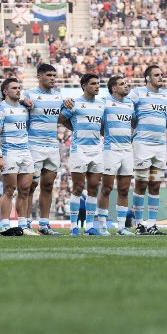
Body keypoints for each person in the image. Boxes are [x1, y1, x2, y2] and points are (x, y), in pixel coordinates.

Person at [127, 65, 167, 235]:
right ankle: (139, 224)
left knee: (155, 185)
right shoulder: (137, 93)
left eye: (161, 74)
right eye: (157, 75)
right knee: (141, 183)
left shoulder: (165, 96)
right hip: (142, 144)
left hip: (160, 145)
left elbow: (166, 117)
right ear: (148, 78)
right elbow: (126, 109)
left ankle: (152, 224)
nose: (161, 77)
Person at [60, 73, 105, 236]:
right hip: (79, 150)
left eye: (98, 83)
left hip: (96, 150)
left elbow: (102, 125)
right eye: (93, 83)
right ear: (84, 86)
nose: (97, 86)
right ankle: (73, 226)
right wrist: (74, 126)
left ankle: (89, 226)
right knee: (78, 187)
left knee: (93, 188)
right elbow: (60, 118)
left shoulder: (101, 104)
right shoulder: (74, 103)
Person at [22, 64, 64, 235]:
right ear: (39, 77)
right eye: (49, 75)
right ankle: (25, 223)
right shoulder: (29, 94)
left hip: (52, 146)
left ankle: (44, 225)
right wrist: (22, 101)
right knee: (30, 186)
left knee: (48, 186)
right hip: (34, 145)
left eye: (54, 75)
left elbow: (63, 114)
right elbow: (16, 101)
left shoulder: (58, 96)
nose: (52, 78)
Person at [0, 78, 36, 236]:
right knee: (9, 190)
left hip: (25, 152)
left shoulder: (25, 108)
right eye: (14, 88)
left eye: (19, 88)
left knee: (25, 190)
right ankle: (5, 226)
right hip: (9, 152)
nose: (18, 90)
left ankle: (23, 226)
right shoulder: (1, 108)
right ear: (5, 91)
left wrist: (26, 102)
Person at [100, 75, 135, 236]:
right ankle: (102, 226)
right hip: (111, 150)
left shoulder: (130, 103)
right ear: (114, 88)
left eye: (126, 83)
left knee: (124, 189)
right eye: (122, 84)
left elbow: (134, 122)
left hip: (127, 150)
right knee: (106, 188)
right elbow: (98, 123)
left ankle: (121, 227)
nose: (126, 86)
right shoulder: (104, 102)